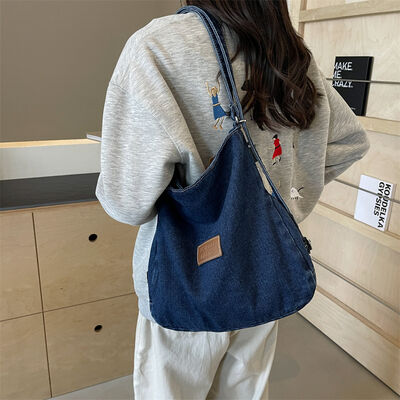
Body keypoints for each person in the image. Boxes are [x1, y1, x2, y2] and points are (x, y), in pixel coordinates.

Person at [95, 0, 371, 398]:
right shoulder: (287, 50)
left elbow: (126, 202)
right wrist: (286, 199)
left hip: (186, 278)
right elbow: (348, 141)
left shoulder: (157, 47)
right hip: (265, 267)